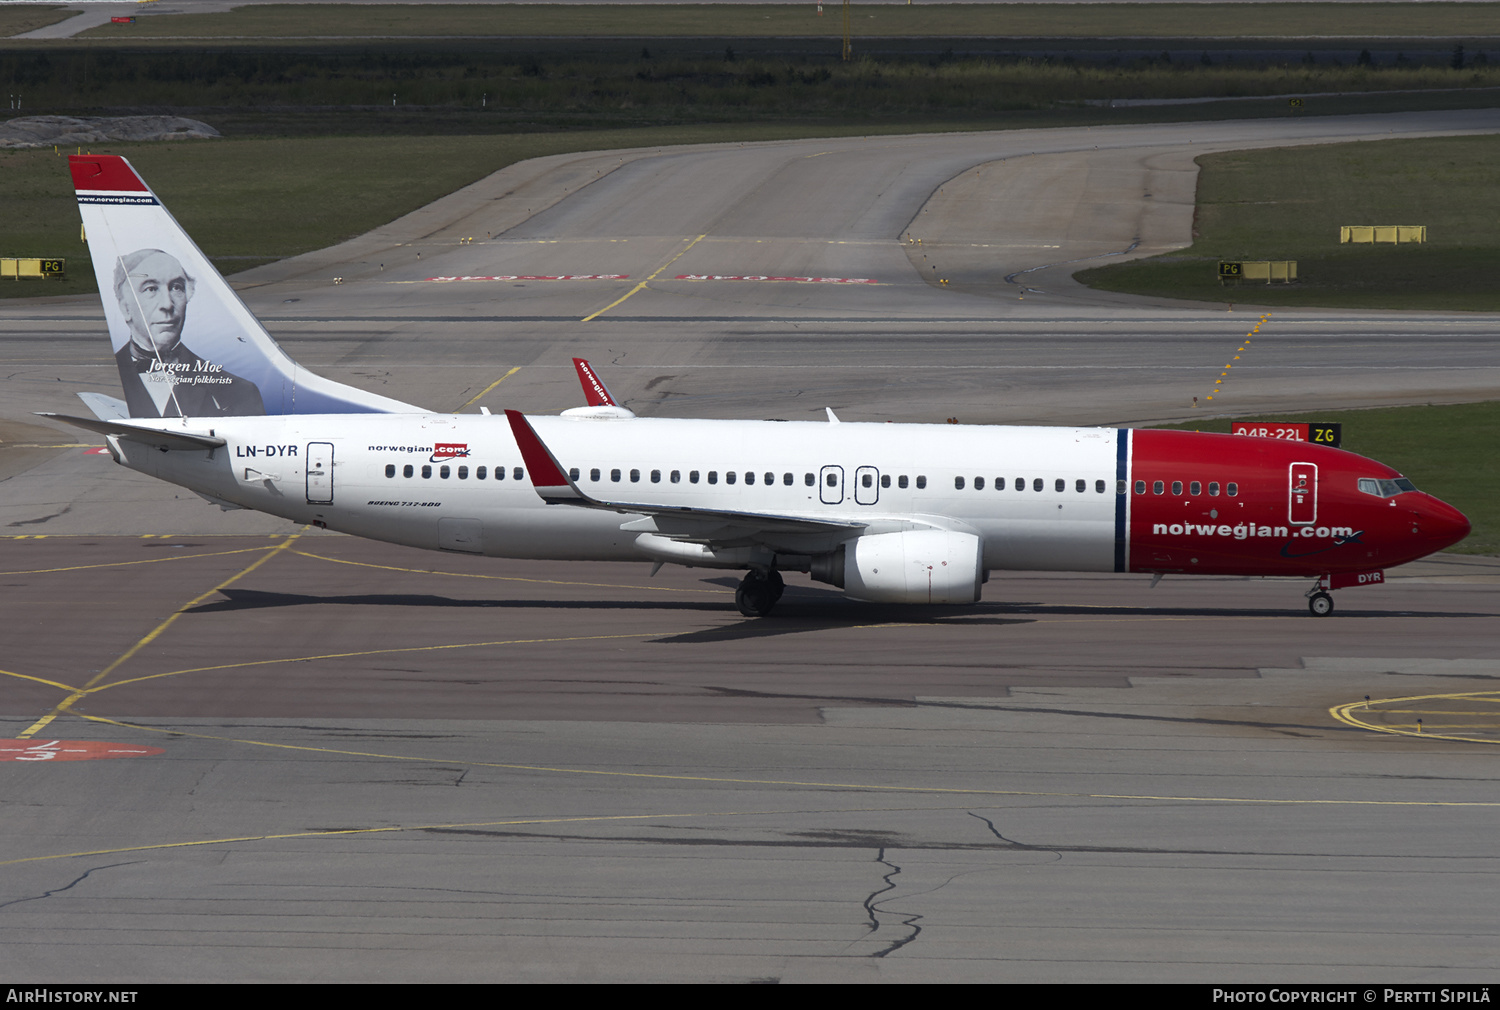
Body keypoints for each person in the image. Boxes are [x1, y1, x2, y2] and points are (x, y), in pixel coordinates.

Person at [112, 248, 265, 417]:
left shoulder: (238, 392)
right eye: (151, 289)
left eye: (176, 288)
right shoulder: (112, 375)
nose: (167, 304)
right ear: (125, 308)